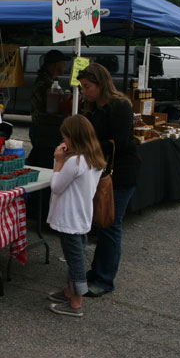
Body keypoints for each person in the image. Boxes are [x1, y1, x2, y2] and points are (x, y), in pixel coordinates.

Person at [77, 63, 140, 297]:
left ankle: (105, 280)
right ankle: (98, 270)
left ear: (101, 85)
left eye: (88, 87)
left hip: (121, 173)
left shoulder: (120, 106)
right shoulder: (91, 107)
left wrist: (85, 147)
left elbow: (120, 142)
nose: (84, 91)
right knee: (101, 224)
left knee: (111, 224)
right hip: (100, 171)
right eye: (82, 87)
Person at [45, 114, 106, 317]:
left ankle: (76, 302)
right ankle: (70, 291)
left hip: (69, 217)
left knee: (75, 259)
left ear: (75, 138)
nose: (64, 142)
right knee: (76, 254)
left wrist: (58, 162)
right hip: (81, 215)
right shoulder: (94, 158)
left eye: (66, 138)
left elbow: (56, 186)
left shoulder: (74, 162)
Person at [27, 49, 70, 168]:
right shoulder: (45, 82)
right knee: (42, 162)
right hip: (43, 129)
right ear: (56, 64)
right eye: (63, 63)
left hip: (46, 129)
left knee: (38, 159)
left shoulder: (50, 80)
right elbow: (53, 107)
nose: (65, 66)